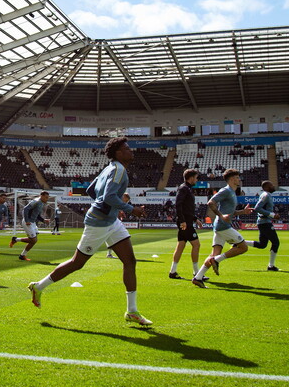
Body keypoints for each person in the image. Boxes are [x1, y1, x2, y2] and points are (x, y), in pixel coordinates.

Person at [27, 137, 152, 326]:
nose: (131, 151)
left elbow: (91, 190)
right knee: (77, 263)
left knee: (129, 261)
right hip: (99, 223)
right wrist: (130, 209)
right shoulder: (118, 170)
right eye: (127, 148)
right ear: (118, 153)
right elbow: (109, 196)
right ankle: (38, 286)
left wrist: (103, 205)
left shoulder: (110, 168)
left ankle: (132, 311)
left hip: (110, 221)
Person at [191, 169, 254, 288]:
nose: (239, 179)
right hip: (223, 226)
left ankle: (198, 278)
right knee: (243, 247)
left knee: (214, 253)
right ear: (231, 179)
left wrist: (243, 212)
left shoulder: (232, 192)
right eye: (237, 177)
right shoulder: (225, 190)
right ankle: (217, 260)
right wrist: (220, 215)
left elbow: (230, 212)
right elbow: (211, 202)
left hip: (220, 226)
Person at [169, 169, 203, 279]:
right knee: (196, 245)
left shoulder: (187, 188)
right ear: (191, 178)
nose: (197, 180)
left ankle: (173, 272)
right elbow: (178, 205)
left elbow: (187, 208)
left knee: (181, 246)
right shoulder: (184, 188)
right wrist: (183, 221)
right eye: (196, 178)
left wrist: (195, 219)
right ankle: (197, 273)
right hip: (185, 222)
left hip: (187, 220)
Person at [249, 180, 280, 271]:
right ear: (266, 187)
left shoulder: (267, 195)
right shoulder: (266, 195)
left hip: (263, 222)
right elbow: (257, 208)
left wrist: (271, 215)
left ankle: (239, 243)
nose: (273, 186)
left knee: (262, 245)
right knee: (276, 242)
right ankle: (271, 266)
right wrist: (272, 215)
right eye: (271, 185)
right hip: (265, 223)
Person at [12, 191, 49, 261]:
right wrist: (27, 220)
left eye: (47, 198)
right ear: (41, 196)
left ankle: (16, 241)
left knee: (33, 240)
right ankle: (22, 254)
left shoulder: (41, 203)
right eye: (46, 197)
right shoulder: (36, 201)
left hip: (32, 222)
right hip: (28, 222)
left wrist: (43, 220)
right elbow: (25, 209)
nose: (47, 199)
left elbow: (37, 215)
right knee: (34, 240)